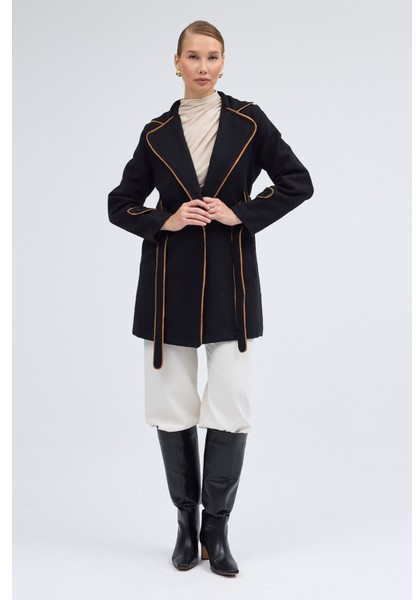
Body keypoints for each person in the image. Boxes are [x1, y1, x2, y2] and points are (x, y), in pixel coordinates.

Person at [108, 20, 314, 577]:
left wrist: (240, 213)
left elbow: (297, 181)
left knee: (230, 405)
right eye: (194, 56)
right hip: (168, 285)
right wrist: (166, 219)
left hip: (230, 282)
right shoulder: (155, 133)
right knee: (172, 407)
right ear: (176, 62)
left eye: (213, 56)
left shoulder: (249, 121)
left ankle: (216, 531)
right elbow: (120, 202)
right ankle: (185, 524)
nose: (204, 67)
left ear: (224, 63)